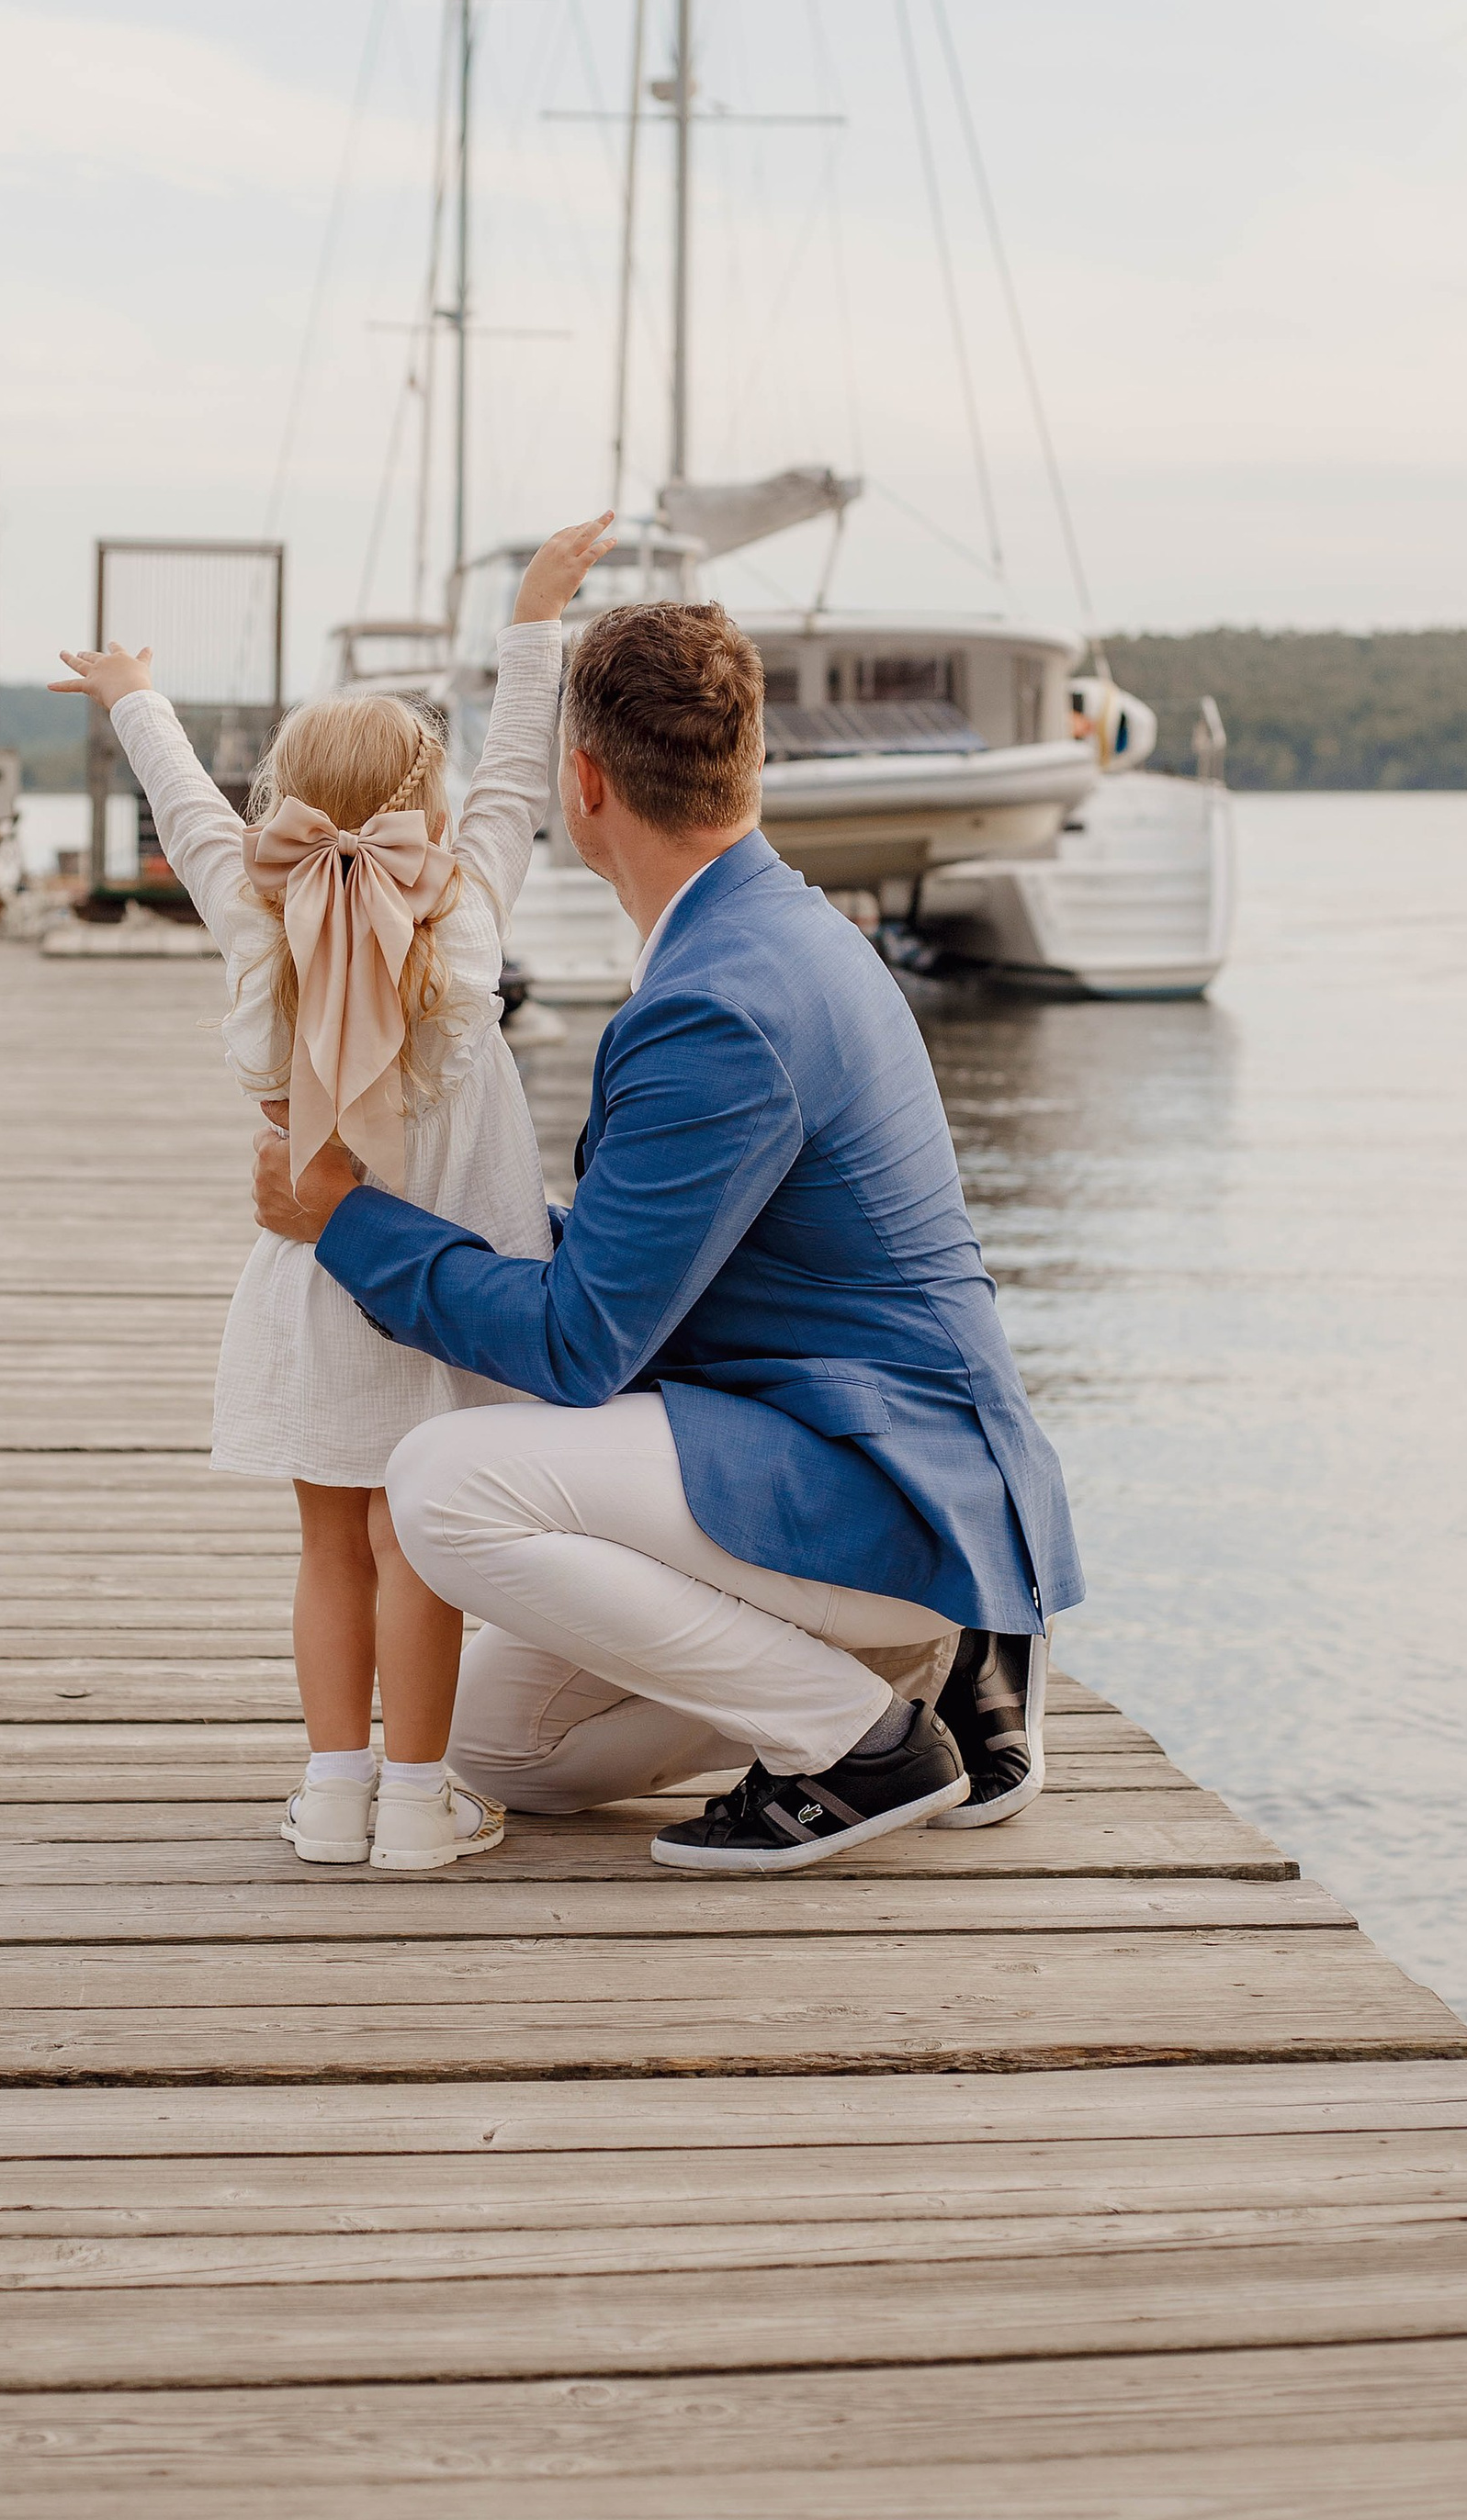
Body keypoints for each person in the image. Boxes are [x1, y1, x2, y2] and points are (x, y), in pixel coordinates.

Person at [252, 597, 1084, 1873]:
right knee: (499, 1754)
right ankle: (923, 1653)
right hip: (854, 1450)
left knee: (437, 1481)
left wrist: (350, 1225)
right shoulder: (780, 930)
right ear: (747, 763)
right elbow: (652, 1254)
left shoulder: (716, 1003)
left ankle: (861, 1741)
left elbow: (579, 1344)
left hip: (883, 1478)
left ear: (582, 787)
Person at [51, 512, 618, 1874]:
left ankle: (331, 1793)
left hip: (315, 1290)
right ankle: (420, 1805)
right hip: (448, 1296)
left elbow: (189, 815)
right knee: (412, 1546)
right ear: (427, 814)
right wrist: (535, 610)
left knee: (327, 1550)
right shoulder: (467, 909)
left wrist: (135, 695)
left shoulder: (259, 930)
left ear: (286, 813)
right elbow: (519, 769)